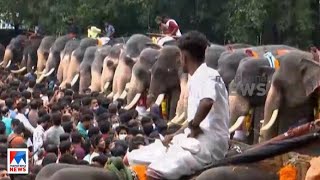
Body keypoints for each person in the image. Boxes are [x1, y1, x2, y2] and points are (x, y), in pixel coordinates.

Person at [126, 31, 230, 179]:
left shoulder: (208, 75)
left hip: (209, 145)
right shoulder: (196, 77)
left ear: (184, 57)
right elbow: (193, 121)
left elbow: (207, 102)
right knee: (135, 157)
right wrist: (175, 134)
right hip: (194, 141)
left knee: (154, 172)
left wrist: (194, 125)